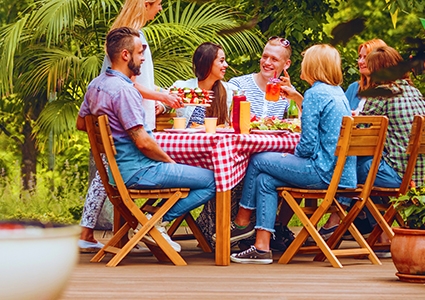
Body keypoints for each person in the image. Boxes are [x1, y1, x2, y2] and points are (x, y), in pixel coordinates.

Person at [77, 27, 216, 253]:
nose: (143, 58)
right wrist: (169, 162)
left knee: (195, 175)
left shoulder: (96, 85)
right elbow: (142, 142)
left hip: (116, 173)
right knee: (213, 179)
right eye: (140, 52)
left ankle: (152, 221)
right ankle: (155, 222)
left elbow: (82, 124)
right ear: (125, 55)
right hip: (138, 170)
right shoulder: (125, 91)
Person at [224, 44, 356, 264]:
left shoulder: (315, 93)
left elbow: (306, 147)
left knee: (258, 159)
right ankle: (262, 247)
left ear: (313, 66)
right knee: (266, 180)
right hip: (341, 174)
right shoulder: (336, 92)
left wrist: (286, 157)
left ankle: (242, 220)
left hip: (322, 172)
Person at [78, 0, 183, 251]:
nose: (160, 9)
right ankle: (145, 227)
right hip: (127, 120)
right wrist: (162, 97)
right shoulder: (131, 37)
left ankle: (125, 231)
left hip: (127, 115)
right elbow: (125, 83)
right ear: (146, 4)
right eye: (158, 4)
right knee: (117, 174)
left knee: (106, 177)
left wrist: (156, 99)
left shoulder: (125, 34)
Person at [319, 46, 425, 257]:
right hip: (418, 175)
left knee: (349, 166)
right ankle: (381, 235)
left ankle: (336, 219)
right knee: (363, 165)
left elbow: (358, 127)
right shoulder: (414, 92)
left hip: (398, 176)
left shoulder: (382, 93)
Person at [158, 42, 236, 128]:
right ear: (208, 63)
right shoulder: (183, 87)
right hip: (184, 140)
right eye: (221, 61)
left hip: (215, 140)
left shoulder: (230, 91)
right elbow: (166, 100)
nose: (226, 65)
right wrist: (162, 106)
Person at [228, 36, 293, 119]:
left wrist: (292, 97)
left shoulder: (288, 90)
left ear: (286, 64)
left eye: (274, 59)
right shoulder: (238, 84)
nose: (267, 62)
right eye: (265, 57)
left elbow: (301, 121)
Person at [345, 39, 387, 114]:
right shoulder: (354, 88)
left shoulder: (389, 90)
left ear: (379, 60)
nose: (360, 62)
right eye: (360, 57)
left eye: (366, 57)